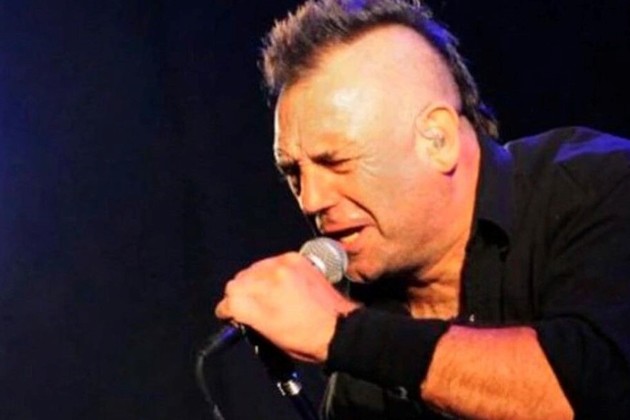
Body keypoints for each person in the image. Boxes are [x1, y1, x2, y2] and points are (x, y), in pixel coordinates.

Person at [215, 0, 630, 418]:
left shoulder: (597, 187)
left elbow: (590, 393)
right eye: (293, 173)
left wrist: (343, 333)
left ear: (438, 140)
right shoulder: (359, 377)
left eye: (336, 162)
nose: (311, 199)